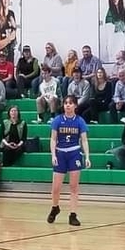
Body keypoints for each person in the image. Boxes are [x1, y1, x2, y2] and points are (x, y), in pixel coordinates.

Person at [48, 95, 91, 226]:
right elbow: (53, 139)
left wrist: (87, 156)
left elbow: (84, 140)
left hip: (74, 153)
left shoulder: (80, 121)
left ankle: (73, 215)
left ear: (75, 106)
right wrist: (53, 155)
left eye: (70, 103)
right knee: (56, 188)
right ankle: (55, 207)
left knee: (74, 187)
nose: (67, 105)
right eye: (66, 103)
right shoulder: (57, 120)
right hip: (60, 153)